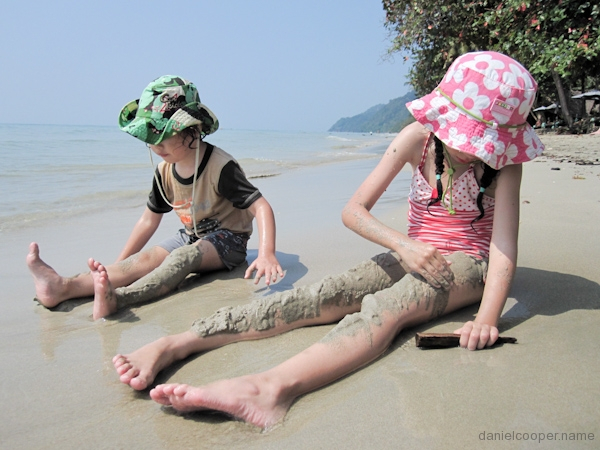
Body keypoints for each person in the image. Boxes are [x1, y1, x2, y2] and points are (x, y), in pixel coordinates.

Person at [111, 52, 544, 428]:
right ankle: (178, 343)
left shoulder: (503, 164)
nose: (473, 148)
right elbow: (354, 211)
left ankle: (270, 388)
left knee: (388, 308)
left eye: (483, 140)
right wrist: (405, 245)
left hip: (469, 262)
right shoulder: (417, 138)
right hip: (411, 252)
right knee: (321, 295)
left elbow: (503, 247)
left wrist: (487, 317)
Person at [27, 76, 283, 320]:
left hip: (229, 241)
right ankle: (62, 287)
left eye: (163, 135)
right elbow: (148, 221)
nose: (155, 146)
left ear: (193, 129)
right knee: (143, 260)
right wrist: (118, 268)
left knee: (181, 259)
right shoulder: (164, 171)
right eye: (151, 137)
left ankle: (121, 299)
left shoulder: (220, 167)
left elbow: (261, 207)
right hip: (190, 236)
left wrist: (266, 254)